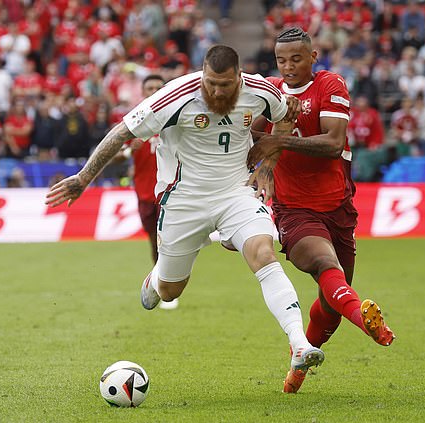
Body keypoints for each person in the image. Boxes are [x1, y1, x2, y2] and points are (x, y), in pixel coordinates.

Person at [46, 45, 325, 381]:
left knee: (263, 251)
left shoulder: (261, 90)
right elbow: (122, 132)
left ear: (239, 77)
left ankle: (298, 344)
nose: (216, 91)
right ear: (202, 75)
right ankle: (157, 276)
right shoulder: (175, 96)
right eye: (210, 83)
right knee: (170, 292)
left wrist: (269, 166)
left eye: (224, 85)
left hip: (236, 192)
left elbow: (285, 117)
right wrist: (83, 178)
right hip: (183, 201)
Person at [247, 28, 395, 393]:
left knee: (332, 305)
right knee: (327, 266)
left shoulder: (330, 85)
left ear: (312, 57)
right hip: (294, 208)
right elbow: (252, 137)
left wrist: (279, 138)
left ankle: (299, 363)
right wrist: (272, 126)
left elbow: (332, 143)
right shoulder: (271, 91)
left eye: (296, 59)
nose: (289, 66)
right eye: (282, 60)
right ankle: (366, 320)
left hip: (338, 207)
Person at [110, 74, 179, 310]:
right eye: (149, 88)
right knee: (153, 242)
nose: (153, 91)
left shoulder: (176, 118)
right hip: (143, 191)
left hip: (171, 189)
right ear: (142, 91)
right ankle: (160, 283)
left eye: (158, 88)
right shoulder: (134, 121)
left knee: (167, 241)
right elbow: (113, 155)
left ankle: (167, 287)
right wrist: (130, 151)